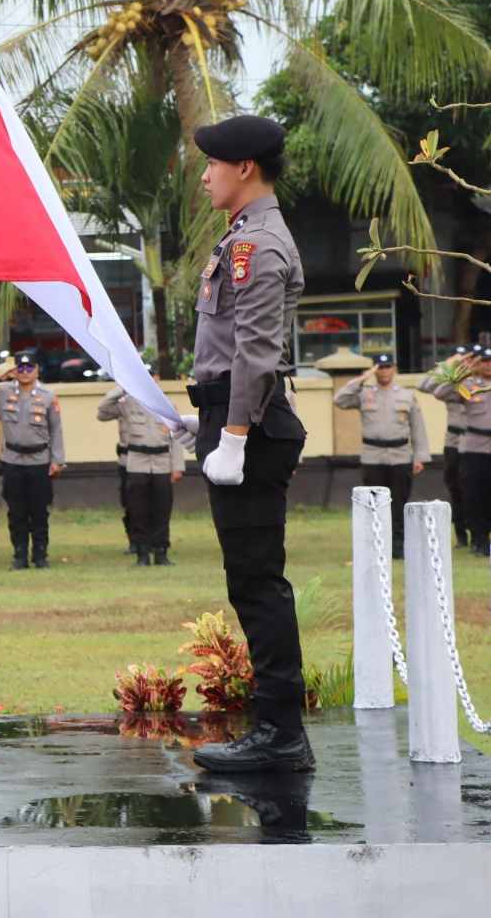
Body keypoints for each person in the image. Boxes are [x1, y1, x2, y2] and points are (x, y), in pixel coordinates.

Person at [178, 114, 312, 774]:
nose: (205, 176)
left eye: (212, 164)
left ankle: (281, 736)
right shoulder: (241, 237)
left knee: (258, 584)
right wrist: (204, 416)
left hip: (251, 431)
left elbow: (256, 353)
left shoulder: (255, 246)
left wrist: (231, 435)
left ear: (245, 168)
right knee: (249, 581)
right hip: (234, 419)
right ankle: (277, 732)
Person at [0, 352, 65, 569]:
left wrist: (57, 460)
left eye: (29, 368)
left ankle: (40, 555)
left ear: (37, 370)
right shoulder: (3, 392)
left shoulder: (48, 396)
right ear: (14, 371)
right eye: (20, 368)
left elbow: (56, 430)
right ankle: (19, 555)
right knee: (16, 512)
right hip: (13, 461)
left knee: (39, 511)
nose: (25, 372)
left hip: (39, 461)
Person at [335, 353, 429, 559]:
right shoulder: (364, 394)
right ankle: (375, 545)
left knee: (399, 502)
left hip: (400, 456)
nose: (384, 371)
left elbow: (418, 427)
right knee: (373, 503)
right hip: (373, 457)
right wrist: (363, 378)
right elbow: (339, 399)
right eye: (380, 367)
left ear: (394, 369)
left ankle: (398, 545)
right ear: (375, 370)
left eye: (388, 367)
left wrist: (420, 456)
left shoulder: (406, 395)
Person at [96, 365, 186, 566]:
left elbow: (176, 437)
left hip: (162, 463)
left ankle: (161, 552)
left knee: (162, 509)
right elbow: (102, 411)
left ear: (157, 378)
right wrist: (123, 387)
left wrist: (177, 466)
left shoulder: (167, 404)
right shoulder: (127, 403)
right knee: (138, 509)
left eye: (150, 376)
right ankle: (142, 553)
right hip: (137, 462)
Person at [419, 346, 477, 548]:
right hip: (454, 441)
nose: (468, 363)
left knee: (479, 488)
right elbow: (424, 385)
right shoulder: (452, 384)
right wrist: (449, 364)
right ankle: (461, 534)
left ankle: (479, 534)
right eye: (465, 359)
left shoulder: (483, 383)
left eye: (472, 359)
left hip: (480, 443)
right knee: (455, 487)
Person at [453, 346, 491, 558]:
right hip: (475, 448)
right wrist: (461, 369)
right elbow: (439, 391)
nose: (488, 365)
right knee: (475, 495)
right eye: (484, 361)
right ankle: (479, 539)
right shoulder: (469, 386)